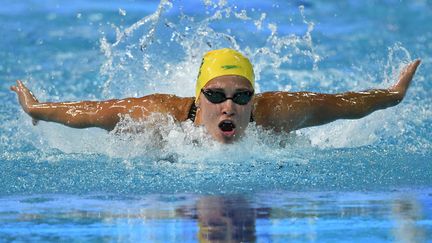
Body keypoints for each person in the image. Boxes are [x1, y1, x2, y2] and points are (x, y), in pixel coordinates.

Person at [11, 48, 421, 144]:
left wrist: (392, 95)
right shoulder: (159, 115)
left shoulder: (278, 112)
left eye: (242, 97)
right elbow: (91, 113)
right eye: (216, 95)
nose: (229, 106)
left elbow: (345, 103)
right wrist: (38, 109)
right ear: (198, 96)